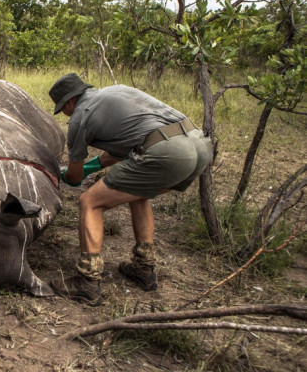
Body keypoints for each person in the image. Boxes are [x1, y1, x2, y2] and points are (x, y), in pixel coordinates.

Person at [47, 73, 213, 306]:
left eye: (62, 109)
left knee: (90, 202)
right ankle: (144, 269)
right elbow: (124, 148)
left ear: (70, 102)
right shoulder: (116, 92)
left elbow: (73, 178)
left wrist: (66, 174)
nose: (65, 114)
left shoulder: (79, 116)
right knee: (139, 193)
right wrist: (91, 167)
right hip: (198, 145)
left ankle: (88, 282)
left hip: (168, 152)